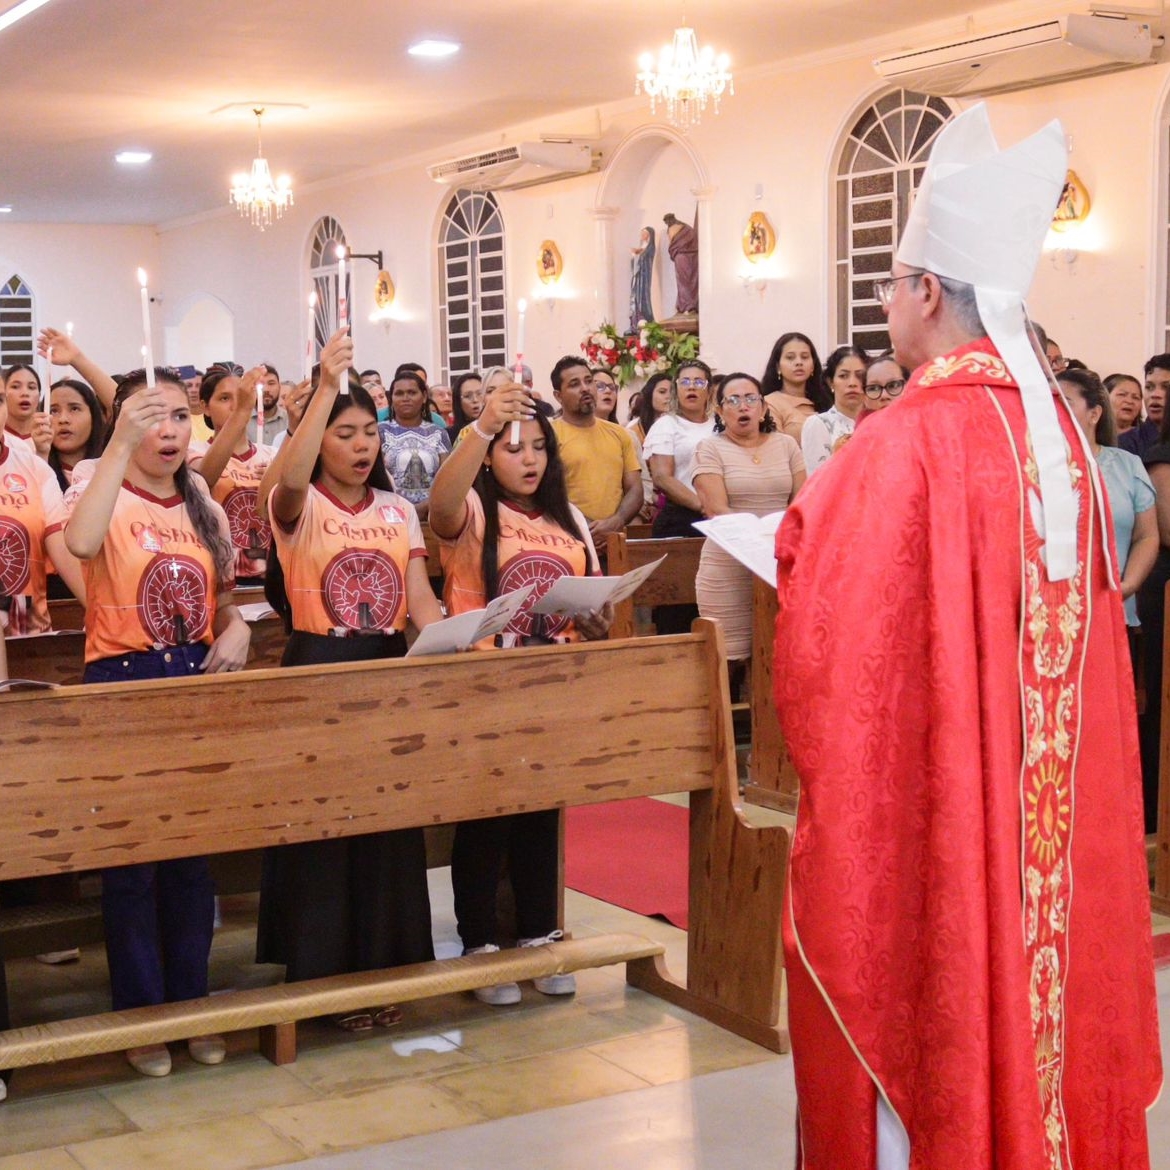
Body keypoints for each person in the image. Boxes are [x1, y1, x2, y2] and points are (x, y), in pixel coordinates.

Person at [773, 105, 1159, 1168]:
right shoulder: (1063, 443)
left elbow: (832, 644)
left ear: (930, 294)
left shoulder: (900, 445)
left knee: (933, 976)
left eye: (892, 284)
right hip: (1048, 823)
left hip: (943, 813)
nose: (885, 304)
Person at [63, 365, 250, 1079]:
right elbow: (81, 546)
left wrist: (237, 629)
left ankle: (190, 1006)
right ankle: (141, 1017)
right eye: (151, 416)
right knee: (132, 863)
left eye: (178, 416)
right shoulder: (98, 484)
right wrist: (117, 445)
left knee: (191, 860)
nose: (168, 431)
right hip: (123, 682)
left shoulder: (203, 502)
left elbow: (222, 601)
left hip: (194, 682)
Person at [255, 331, 442, 1029]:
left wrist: (455, 638)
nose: (362, 446)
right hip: (318, 671)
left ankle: (386, 970)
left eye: (369, 433)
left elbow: (419, 602)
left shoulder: (398, 510)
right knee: (325, 829)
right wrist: (325, 392)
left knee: (388, 828)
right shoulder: (298, 507)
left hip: (386, 669)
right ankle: (325, 979)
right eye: (344, 433)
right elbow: (288, 484)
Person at [428, 373, 610, 1004]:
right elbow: (440, 505)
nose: (528, 459)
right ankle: (479, 943)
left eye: (537, 447)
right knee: (487, 818)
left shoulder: (570, 518)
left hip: (552, 684)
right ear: (488, 456)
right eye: (512, 449)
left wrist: (598, 619)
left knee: (540, 816)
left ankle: (539, 933)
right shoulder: (475, 512)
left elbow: (595, 601)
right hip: (485, 686)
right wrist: (480, 428)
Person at [693, 373, 803, 664]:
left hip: (779, 562)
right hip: (728, 566)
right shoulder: (710, 448)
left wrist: (775, 540)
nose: (743, 406)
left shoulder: (787, 445)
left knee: (780, 660)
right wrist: (759, 538)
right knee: (727, 663)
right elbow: (716, 509)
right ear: (720, 411)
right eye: (733, 400)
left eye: (751, 399)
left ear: (763, 408)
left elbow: (801, 503)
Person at [1059, 368, 1156, 676]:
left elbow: (1146, 536)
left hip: (1112, 606)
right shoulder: (1031, 467)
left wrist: (1129, 585)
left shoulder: (1127, 465)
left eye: (1064, 402)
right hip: (1050, 612)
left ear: (1095, 413)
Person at [0, 383, 85, 633]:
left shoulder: (34, 469)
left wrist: (100, 610)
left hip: (27, 637)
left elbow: (63, 551)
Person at [188, 366, 276, 587]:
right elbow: (204, 478)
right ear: (205, 407)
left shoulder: (272, 455)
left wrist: (278, 480)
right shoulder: (194, 452)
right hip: (221, 575)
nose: (236, 405)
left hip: (272, 576)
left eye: (241, 397)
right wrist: (241, 413)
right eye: (225, 398)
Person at [548, 357, 641, 547]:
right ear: (558, 396)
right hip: (568, 540)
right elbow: (548, 493)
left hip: (614, 541)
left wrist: (616, 521)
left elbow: (635, 489)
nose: (585, 388)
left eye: (589, 381)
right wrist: (587, 529)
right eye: (574, 384)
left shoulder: (620, 434)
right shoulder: (549, 435)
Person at [643, 360, 715, 538]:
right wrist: (703, 506)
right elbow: (662, 478)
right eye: (685, 382)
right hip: (681, 517)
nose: (691, 387)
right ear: (676, 390)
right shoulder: (666, 425)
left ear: (709, 391)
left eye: (699, 382)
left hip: (720, 513)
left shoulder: (719, 425)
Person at [378, 369, 450, 521]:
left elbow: (447, 479)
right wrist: (404, 510)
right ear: (391, 398)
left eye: (412, 392)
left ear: (424, 397)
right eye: (399, 393)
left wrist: (425, 507)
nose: (405, 398)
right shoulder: (380, 431)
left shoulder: (438, 433)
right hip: (390, 514)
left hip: (431, 515)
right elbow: (377, 477)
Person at [800, 345, 867, 473]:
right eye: (843, 376)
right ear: (831, 382)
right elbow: (816, 477)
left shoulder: (876, 421)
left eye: (860, 376)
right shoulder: (818, 424)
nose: (852, 383)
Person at [759, 333, 829, 439]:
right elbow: (775, 445)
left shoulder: (826, 402)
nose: (799, 362)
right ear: (778, 367)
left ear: (813, 366)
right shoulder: (769, 404)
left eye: (804, 357)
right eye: (790, 357)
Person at [627, 371, 672, 522]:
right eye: (662, 392)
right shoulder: (633, 430)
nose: (668, 397)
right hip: (646, 498)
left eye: (672, 392)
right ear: (649, 395)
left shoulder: (680, 425)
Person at [48, 378, 106, 489]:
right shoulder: (30, 467)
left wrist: (79, 364)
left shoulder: (111, 467)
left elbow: (123, 405)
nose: (63, 419)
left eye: (74, 409)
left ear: (93, 416)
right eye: (54, 411)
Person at [3, 364, 50, 457]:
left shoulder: (48, 435)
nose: (25, 393)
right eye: (15, 386)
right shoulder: (2, 436)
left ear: (39, 395)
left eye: (31, 387)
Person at [856, 352, 908, 426]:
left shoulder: (924, 426)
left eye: (893, 385)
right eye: (874, 388)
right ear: (864, 397)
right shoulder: (859, 432)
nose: (884, 395)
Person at [662, 212, 698, 315]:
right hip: (690, 257)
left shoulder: (673, 229)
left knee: (684, 282)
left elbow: (672, 243)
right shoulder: (686, 227)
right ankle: (687, 305)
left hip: (682, 257)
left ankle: (687, 306)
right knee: (686, 281)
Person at [247, 364, 285, 446]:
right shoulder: (243, 421)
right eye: (260, 384)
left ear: (279, 387)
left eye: (271, 383)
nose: (266, 389)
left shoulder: (290, 420)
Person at [448, 372, 484, 447]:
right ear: (458, 401)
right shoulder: (448, 435)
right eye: (468, 396)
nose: (475, 400)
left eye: (479, 393)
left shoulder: (499, 430)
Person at [630, 225, 655, 329]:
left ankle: (646, 319)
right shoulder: (642, 247)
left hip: (644, 277)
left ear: (649, 235)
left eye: (644, 233)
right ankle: (635, 322)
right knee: (635, 297)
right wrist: (634, 255)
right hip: (638, 277)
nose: (642, 235)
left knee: (643, 298)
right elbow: (635, 262)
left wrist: (638, 253)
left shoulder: (650, 248)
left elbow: (644, 259)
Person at [1107, 372, 1144, 443]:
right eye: (1122, 394)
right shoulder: (1091, 434)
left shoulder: (1146, 438)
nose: (1129, 401)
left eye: (1135, 397)